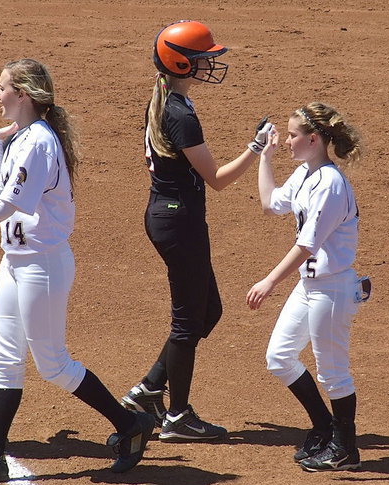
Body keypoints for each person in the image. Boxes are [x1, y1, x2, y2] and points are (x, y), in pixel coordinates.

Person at [0, 58, 154, 481]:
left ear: (22, 94)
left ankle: (130, 425)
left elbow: (11, 204)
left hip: (42, 266)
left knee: (53, 364)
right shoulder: (20, 138)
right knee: (5, 358)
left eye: (2, 87)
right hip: (16, 261)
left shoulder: (39, 142)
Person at [119, 20, 271, 442]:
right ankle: (177, 416)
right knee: (188, 322)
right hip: (178, 222)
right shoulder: (179, 113)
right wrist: (256, 147)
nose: (209, 64)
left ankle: (150, 388)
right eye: (203, 58)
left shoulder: (168, 101)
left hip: (172, 217)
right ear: (181, 62)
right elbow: (218, 179)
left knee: (208, 312)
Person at [246, 102, 364, 472]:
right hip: (311, 285)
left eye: (293, 135)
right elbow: (269, 205)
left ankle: (345, 448)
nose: (289, 140)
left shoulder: (330, 183)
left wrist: (268, 281)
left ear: (313, 139)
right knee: (279, 357)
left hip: (332, 288)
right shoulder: (304, 174)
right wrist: (266, 156)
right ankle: (324, 428)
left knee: (333, 372)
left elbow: (308, 244)